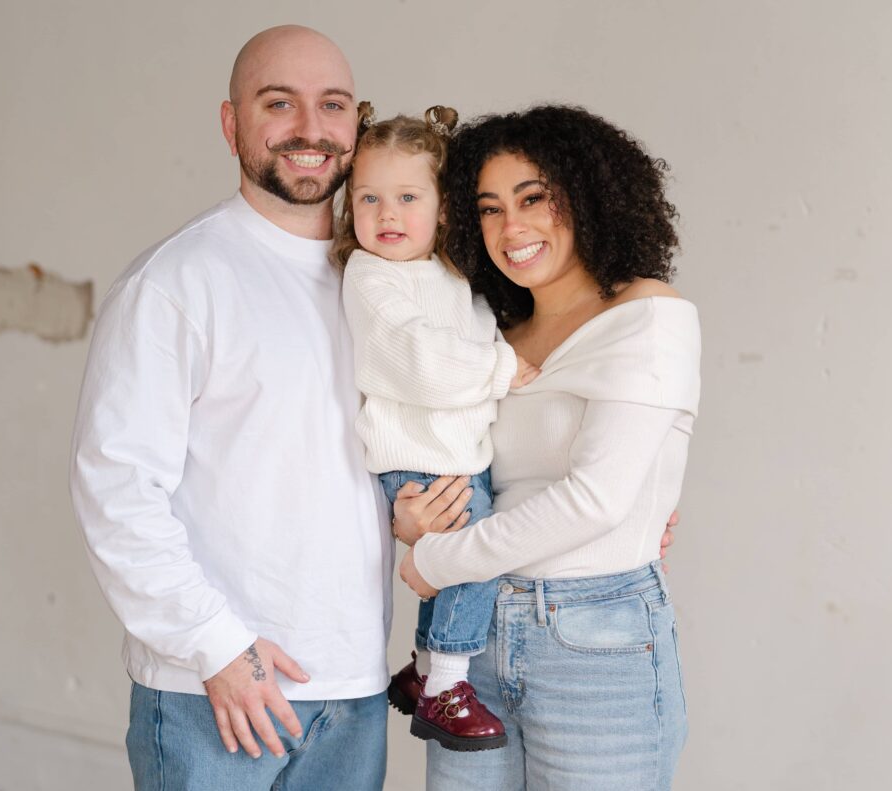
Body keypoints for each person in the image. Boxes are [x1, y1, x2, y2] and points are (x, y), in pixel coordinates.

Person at [69, 26, 392, 791]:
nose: (310, 128)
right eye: (279, 103)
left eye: (333, 105)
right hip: (213, 691)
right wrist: (217, 646)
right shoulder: (176, 282)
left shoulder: (384, 282)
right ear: (231, 122)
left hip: (354, 687)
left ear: (357, 124)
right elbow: (116, 486)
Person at [394, 105, 701, 790]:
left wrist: (439, 558)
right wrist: (411, 518)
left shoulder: (649, 316)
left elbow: (596, 501)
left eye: (533, 198)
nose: (511, 228)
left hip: (594, 639)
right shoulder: (490, 337)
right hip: (473, 636)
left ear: (587, 196)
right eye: (490, 208)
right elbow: (446, 464)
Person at [333, 106, 542, 753]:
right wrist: (501, 368)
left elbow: (476, 340)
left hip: (454, 454)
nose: (386, 214)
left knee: (459, 555)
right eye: (368, 198)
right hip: (416, 456)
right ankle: (446, 684)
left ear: (444, 208)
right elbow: (418, 361)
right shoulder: (370, 276)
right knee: (474, 547)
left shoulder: (454, 276)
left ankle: (424, 667)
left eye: (406, 197)